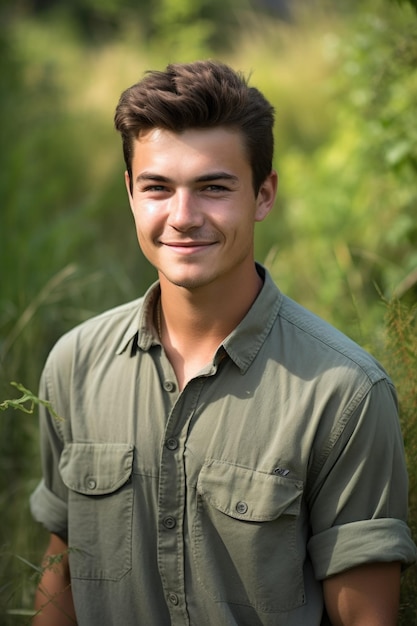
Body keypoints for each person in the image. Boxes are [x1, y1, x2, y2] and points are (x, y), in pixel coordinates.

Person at [30, 60, 416, 626]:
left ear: (264, 195)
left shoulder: (345, 395)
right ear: (131, 195)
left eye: (213, 187)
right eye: (157, 187)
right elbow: (59, 576)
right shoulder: (74, 364)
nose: (183, 217)